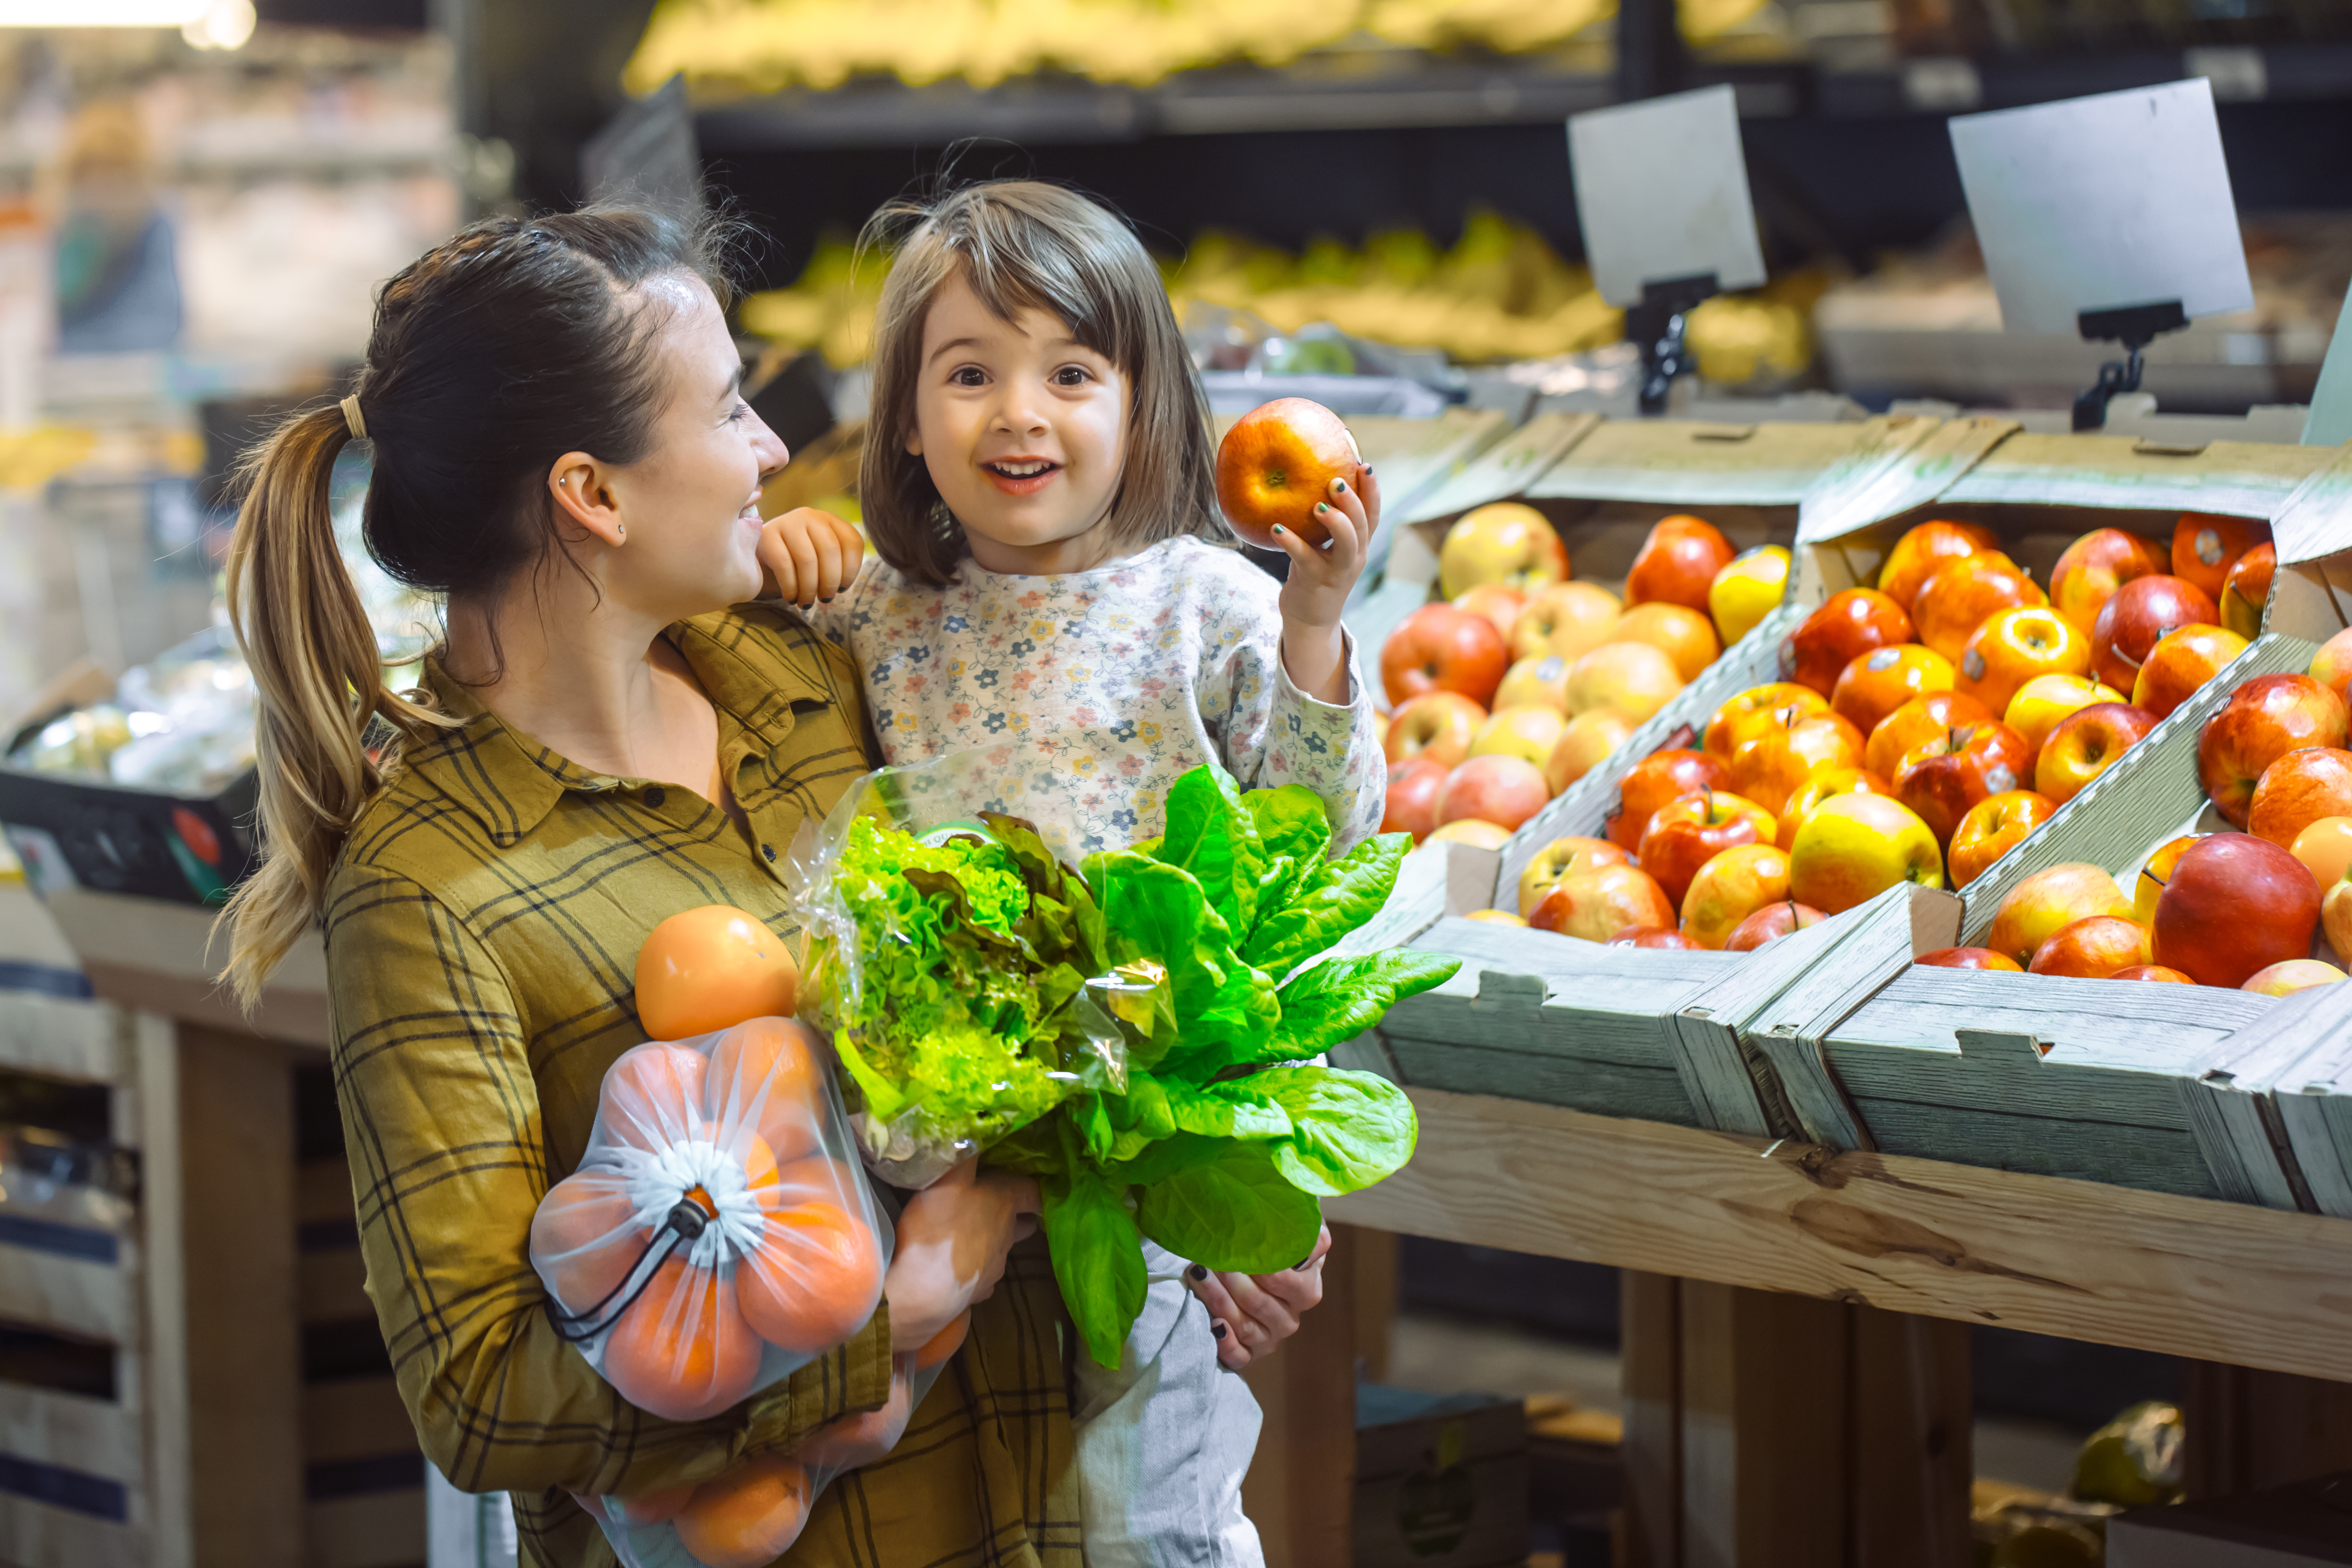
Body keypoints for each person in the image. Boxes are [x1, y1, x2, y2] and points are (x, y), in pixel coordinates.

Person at [218, 204, 1077, 1567]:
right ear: (593, 494)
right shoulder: (433, 889)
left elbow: (1025, 1003)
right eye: (731, 407)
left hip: (1047, 1504)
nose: (773, 451)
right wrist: (883, 1326)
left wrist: (1203, 1220)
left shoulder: (804, 677)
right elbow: (482, 1397)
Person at [760, 180, 1379, 1568]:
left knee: (1145, 1499)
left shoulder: (1208, 603)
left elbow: (1315, 837)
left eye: (1071, 372)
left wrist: (1317, 625)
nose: (1017, 412)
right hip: (937, 1157)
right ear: (906, 424)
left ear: (1145, 405)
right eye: (967, 373)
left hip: (1143, 1142)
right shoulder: (875, 607)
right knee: (948, 1505)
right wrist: (782, 555)